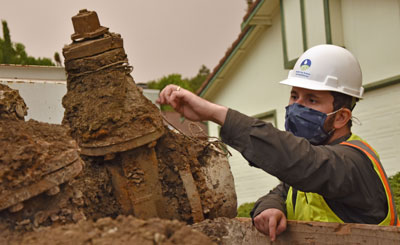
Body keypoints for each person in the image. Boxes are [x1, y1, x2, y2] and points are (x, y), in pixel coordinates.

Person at [157, 44, 399, 241]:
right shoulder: (312, 166)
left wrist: (216, 113)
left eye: (312, 100)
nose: (296, 107)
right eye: (294, 96)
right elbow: (283, 190)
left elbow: (301, 161)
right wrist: (270, 208)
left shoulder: (353, 163)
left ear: (342, 117)